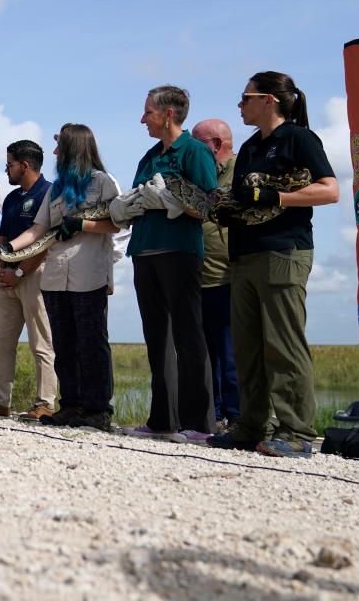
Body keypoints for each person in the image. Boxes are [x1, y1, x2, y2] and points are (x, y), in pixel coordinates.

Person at [209, 72, 339, 458]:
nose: (239, 105)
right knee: (247, 347)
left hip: (283, 251)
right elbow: (242, 199)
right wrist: (226, 211)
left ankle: (296, 431)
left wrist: (274, 196)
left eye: (245, 97)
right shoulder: (249, 147)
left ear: (268, 100)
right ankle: (250, 425)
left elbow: (330, 190)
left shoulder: (299, 138)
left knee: (283, 344)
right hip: (244, 254)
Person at [0, 124, 122, 432]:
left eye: (59, 147)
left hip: (88, 273)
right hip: (55, 276)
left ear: (74, 148)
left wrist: (82, 225)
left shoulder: (103, 182)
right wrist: (8, 248)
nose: (54, 153)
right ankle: (72, 405)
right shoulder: (57, 189)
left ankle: (97, 410)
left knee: (91, 343)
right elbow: (37, 230)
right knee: (64, 344)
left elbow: (117, 223)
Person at [123, 85, 217, 443]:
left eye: (147, 111)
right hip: (144, 251)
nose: (142, 118)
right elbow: (135, 197)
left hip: (179, 252)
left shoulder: (194, 152)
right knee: (157, 339)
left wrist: (171, 201)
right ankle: (163, 418)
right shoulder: (149, 155)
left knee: (189, 336)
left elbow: (209, 204)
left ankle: (200, 422)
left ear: (168, 114)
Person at [0, 140, 56, 420]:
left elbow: (46, 241)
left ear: (25, 165)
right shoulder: (11, 198)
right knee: (2, 341)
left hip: (35, 275)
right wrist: (0, 268)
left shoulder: (50, 193)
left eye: (9, 164)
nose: (6, 169)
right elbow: (3, 238)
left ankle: (45, 402)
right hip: (6, 280)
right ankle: (0, 401)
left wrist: (19, 271)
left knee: (41, 342)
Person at [191, 119, 240, 427]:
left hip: (229, 275)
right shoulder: (196, 172)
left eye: (198, 144)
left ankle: (237, 417)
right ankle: (214, 414)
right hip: (199, 274)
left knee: (231, 351)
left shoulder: (242, 169)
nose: (193, 151)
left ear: (217, 145)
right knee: (207, 352)